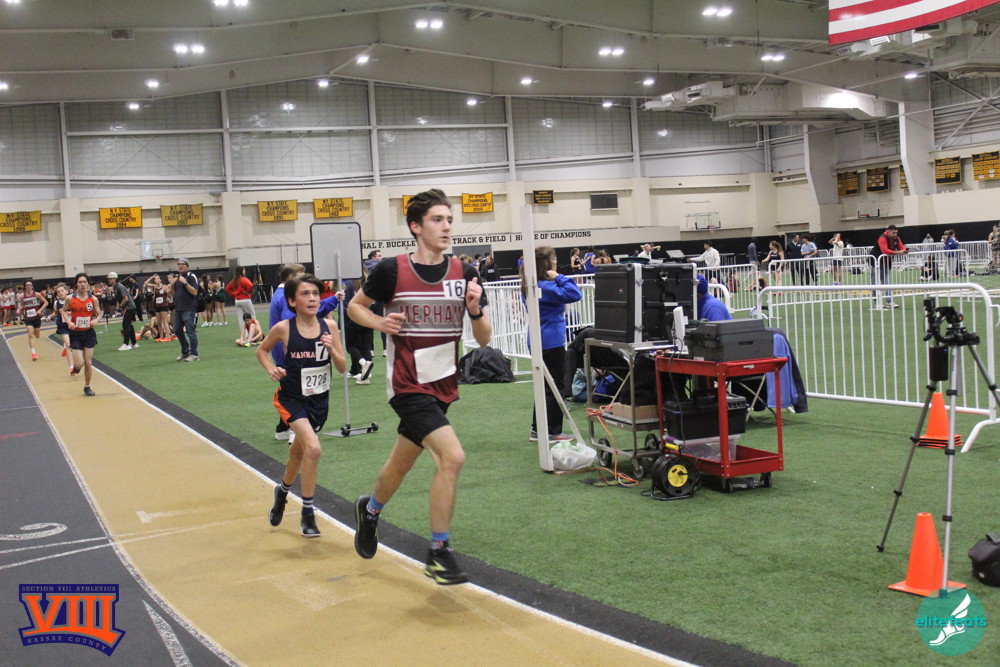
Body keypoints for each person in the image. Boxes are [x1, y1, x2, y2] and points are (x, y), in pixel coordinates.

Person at [348, 188, 491, 585]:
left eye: (449, 220)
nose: (446, 227)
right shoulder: (391, 270)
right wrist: (380, 322)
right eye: (437, 220)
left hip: (443, 385)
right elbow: (355, 307)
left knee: (402, 462)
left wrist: (474, 310)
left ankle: (370, 511)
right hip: (407, 385)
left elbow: (483, 338)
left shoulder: (465, 273)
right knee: (452, 457)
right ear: (416, 226)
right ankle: (438, 552)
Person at [259, 275, 347, 538]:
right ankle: (308, 513)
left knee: (298, 453)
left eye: (315, 294)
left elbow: (342, 367)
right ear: (291, 301)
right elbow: (262, 350)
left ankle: (282, 492)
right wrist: (271, 369)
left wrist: (332, 350)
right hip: (291, 399)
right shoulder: (284, 328)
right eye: (305, 294)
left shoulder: (330, 326)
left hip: (319, 402)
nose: (312, 299)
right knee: (314, 448)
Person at [520, 245, 582, 442]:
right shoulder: (545, 287)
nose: (556, 262)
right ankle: (552, 431)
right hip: (550, 341)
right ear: (546, 264)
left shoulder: (531, 285)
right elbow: (575, 294)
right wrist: (559, 276)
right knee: (555, 387)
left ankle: (538, 429)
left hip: (539, 339)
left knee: (544, 386)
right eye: (553, 259)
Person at [63, 273, 102, 396]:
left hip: (89, 333)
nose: (82, 284)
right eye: (80, 282)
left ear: (88, 284)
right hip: (76, 333)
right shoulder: (70, 298)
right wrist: (69, 322)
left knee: (88, 362)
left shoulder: (93, 299)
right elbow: (63, 311)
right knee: (79, 363)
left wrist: (96, 320)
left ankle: (87, 386)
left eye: (84, 282)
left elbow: (99, 313)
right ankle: (76, 367)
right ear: (76, 284)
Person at [343, 265, 376, 385]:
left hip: (354, 319)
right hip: (368, 317)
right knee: (365, 345)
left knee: (350, 345)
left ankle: (363, 363)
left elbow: (345, 305)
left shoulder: (349, 285)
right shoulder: (369, 283)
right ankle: (361, 371)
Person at [168, 257, 200, 361]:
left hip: (189, 308)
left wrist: (185, 283)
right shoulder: (177, 278)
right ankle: (185, 351)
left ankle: (194, 354)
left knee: (190, 331)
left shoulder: (191, 276)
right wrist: (172, 285)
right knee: (177, 330)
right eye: (179, 264)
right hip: (179, 308)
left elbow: (195, 292)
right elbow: (173, 294)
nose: (180, 266)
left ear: (187, 266)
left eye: (182, 264)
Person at [870, 224, 907, 309]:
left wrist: (905, 250)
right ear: (888, 231)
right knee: (875, 282)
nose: (895, 235)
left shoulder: (897, 238)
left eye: (896, 233)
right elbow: (885, 251)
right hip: (876, 261)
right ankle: (877, 302)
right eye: (893, 233)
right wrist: (899, 252)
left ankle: (889, 302)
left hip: (886, 262)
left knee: (886, 281)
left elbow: (902, 248)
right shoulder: (882, 238)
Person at [17, 280, 49, 361]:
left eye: (30, 285)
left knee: (37, 336)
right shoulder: (22, 296)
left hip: (36, 317)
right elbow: (22, 305)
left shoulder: (37, 294)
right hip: (28, 318)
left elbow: (46, 302)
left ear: (32, 286)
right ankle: (33, 353)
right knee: (30, 334)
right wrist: (19, 309)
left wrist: (40, 310)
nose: (29, 286)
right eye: (27, 285)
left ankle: (35, 331)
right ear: (25, 287)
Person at [107, 272, 137, 350]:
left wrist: (120, 306)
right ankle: (134, 343)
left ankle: (126, 344)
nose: (109, 280)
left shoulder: (119, 287)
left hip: (129, 307)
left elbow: (125, 298)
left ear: (114, 279)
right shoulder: (116, 287)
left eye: (110, 279)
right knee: (129, 325)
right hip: (129, 307)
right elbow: (119, 299)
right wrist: (118, 308)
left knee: (125, 325)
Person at [47, 283, 73, 369]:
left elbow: (77, 311)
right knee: (68, 345)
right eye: (58, 292)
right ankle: (71, 366)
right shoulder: (56, 303)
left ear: (67, 291)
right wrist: (50, 316)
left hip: (73, 325)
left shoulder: (72, 300)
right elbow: (56, 312)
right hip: (63, 326)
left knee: (74, 345)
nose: (61, 293)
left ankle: (65, 347)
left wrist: (68, 313)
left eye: (62, 291)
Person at [144, 274, 172, 341]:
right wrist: (152, 277)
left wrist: (168, 292)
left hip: (164, 305)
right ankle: (161, 336)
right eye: (155, 279)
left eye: (157, 279)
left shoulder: (164, 286)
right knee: (159, 322)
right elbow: (146, 283)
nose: (156, 280)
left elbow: (169, 295)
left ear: (160, 280)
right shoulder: (154, 286)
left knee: (164, 321)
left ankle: (168, 336)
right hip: (157, 306)